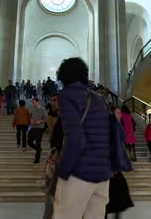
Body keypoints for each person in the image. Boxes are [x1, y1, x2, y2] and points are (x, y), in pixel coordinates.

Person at [53, 58, 112, 219]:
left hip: (79, 173)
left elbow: (76, 139)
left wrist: (63, 171)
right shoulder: (100, 99)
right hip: (103, 174)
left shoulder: (67, 95)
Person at [105, 107, 134, 219]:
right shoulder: (111, 128)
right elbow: (112, 148)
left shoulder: (117, 127)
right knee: (113, 192)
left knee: (119, 191)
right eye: (118, 113)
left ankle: (115, 214)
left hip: (114, 167)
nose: (120, 115)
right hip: (110, 168)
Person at [43, 95, 61, 219]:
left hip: (61, 167)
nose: (52, 102)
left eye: (55, 100)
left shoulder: (67, 120)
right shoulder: (58, 119)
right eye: (52, 100)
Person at [28, 98, 47, 163]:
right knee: (29, 142)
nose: (33, 104)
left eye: (34, 102)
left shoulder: (42, 109)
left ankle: (37, 159)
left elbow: (46, 118)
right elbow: (30, 118)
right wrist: (30, 122)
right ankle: (38, 150)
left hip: (39, 128)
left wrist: (39, 121)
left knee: (38, 142)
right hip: (32, 127)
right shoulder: (32, 109)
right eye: (32, 102)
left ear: (38, 102)